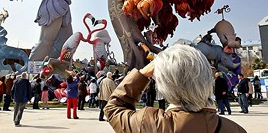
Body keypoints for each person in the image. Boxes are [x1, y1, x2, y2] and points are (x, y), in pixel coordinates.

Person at [104, 44, 247, 132]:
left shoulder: (150, 124)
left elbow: (113, 109)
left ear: (165, 84)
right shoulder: (235, 130)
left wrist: (143, 74)